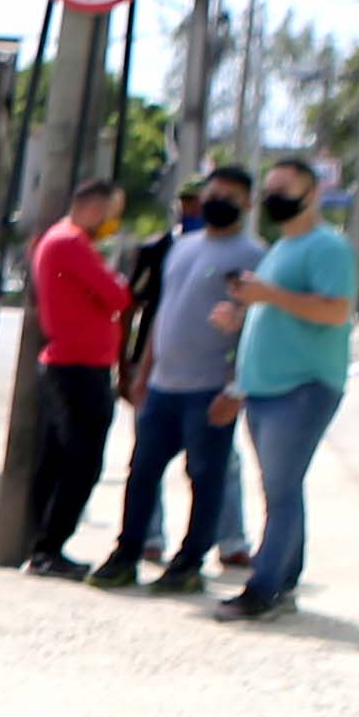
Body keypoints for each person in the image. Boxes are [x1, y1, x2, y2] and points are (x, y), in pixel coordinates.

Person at [90, 169, 260, 591]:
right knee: (142, 471)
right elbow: (162, 315)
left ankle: (189, 563)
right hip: (163, 387)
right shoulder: (180, 248)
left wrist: (236, 388)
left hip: (210, 387)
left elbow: (262, 328)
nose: (219, 200)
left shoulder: (256, 255)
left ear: (248, 204)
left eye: (231, 196)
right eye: (214, 193)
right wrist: (141, 373)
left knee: (205, 476)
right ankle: (127, 552)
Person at [216, 155, 359, 620]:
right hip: (265, 390)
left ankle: (265, 588)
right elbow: (279, 311)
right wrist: (242, 314)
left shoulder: (327, 248)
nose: (274, 197)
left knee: (280, 489)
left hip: (303, 388)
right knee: (280, 488)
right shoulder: (280, 249)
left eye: (285, 188)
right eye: (270, 188)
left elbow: (335, 311)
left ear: (312, 193)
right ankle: (283, 582)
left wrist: (269, 296)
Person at [17, 176, 130, 576]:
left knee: (60, 458)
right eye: (111, 213)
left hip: (75, 364)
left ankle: (45, 545)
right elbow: (118, 296)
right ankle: (49, 547)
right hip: (77, 367)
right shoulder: (70, 243)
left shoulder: (63, 241)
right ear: (94, 207)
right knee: (80, 462)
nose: (112, 222)